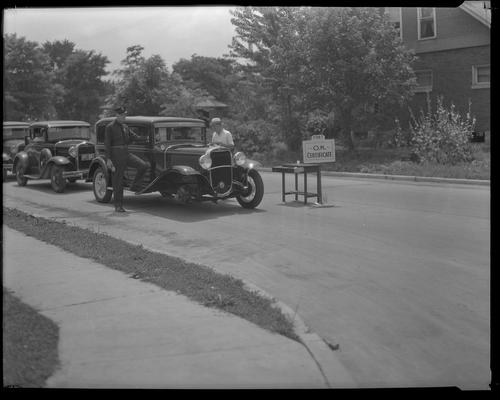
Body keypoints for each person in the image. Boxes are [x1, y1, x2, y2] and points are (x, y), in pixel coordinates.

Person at [104, 106, 148, 212]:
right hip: (116, 156)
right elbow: (107, 144)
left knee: (143, 165)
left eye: (125, 115)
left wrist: (147, 138)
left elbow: (135, 137)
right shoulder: (110, 127)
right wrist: (109, 160)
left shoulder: (125, 126)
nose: (125, 117)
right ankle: (118, 206)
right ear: (117, 115)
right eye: (123, 115)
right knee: (118, 182)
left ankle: (135, 186)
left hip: (126, 153)